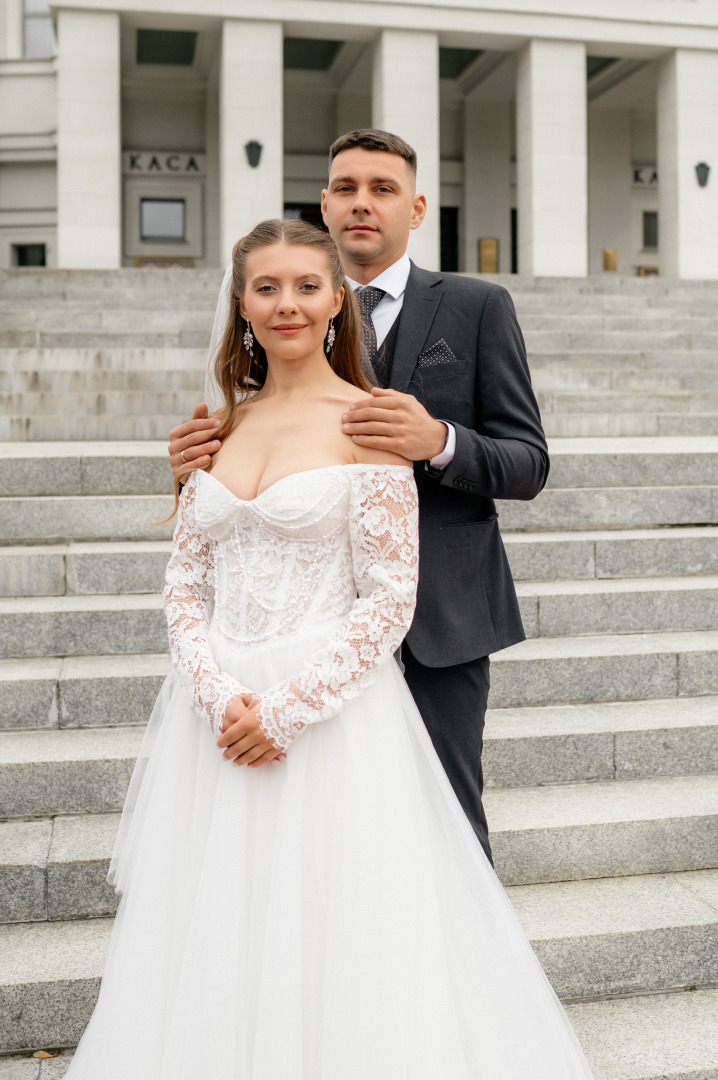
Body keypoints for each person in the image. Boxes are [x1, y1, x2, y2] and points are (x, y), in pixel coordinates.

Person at [65, 219, 596, 1079]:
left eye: (307, 286)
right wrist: (215, 692)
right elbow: (184, 585)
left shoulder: (370, 421)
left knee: (339, 928)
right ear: (240, 304)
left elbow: (389, 599)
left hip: (328, 718)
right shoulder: (218, 430)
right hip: (219, 717)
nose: (287, 303)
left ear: (335, 302)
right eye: (266, 287)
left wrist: (285, 709)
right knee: (218, 925)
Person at [169, 129, 548, 863]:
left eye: (381, 188)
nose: (362, 204)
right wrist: (194, 468)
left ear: (417, 206)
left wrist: (438, 439)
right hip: (295, 633)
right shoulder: (288, 320)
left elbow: (528, 462)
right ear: (324, 204)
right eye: (345, 188)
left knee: (446, 839)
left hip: (438, 623)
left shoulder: (476, 305)